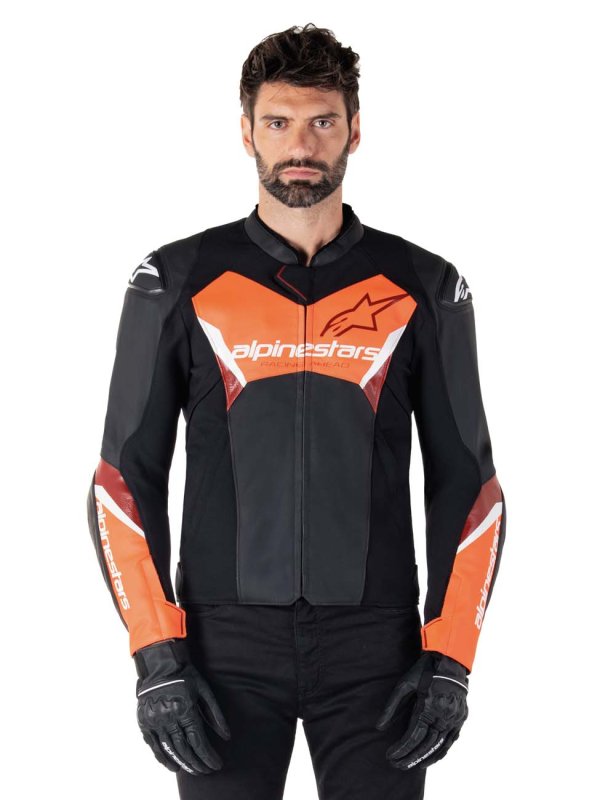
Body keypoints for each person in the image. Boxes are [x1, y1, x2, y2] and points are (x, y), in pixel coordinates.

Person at [86, 22, 507, 800]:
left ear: (355, 131)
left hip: (377, 650)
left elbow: (468, 485)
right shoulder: (176, 279)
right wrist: (157, 656)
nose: (301, 145)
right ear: (246, 132)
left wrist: (451, 657)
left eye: (322, 122)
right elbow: (123, 478)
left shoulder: (424, 285)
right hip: (222, 650)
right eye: (279, 122)